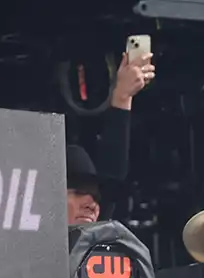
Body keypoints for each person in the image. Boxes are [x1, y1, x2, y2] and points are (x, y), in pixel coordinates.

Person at [65, 45, 155, 225]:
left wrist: (124, 95)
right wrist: (122, 96)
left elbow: (113, 172)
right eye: (79, 192)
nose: (92, 204)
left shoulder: (96, 243)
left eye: (97, 198)